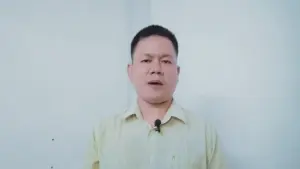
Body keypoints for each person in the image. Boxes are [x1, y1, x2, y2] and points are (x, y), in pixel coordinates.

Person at [84, 25, 226, 169]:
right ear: (130, 71)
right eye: (146, 60)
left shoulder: (204, 134)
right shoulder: (104, 132)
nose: (156, 69)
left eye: (165, 61)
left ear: (177, 72)